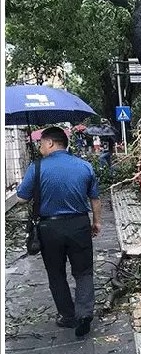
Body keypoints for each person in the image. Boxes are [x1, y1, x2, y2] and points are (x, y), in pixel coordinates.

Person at [17, 126, 101, 337]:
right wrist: (96, 222)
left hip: (49, 228)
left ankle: (68, 315)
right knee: (83, 272)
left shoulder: (36, 168)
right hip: (79, 225)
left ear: (51, 143)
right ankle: (84, 314)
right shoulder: (84, 166)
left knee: (56, 273)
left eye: (41, 143)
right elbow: (95, 198)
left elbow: (21, 198)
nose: (40, 147)